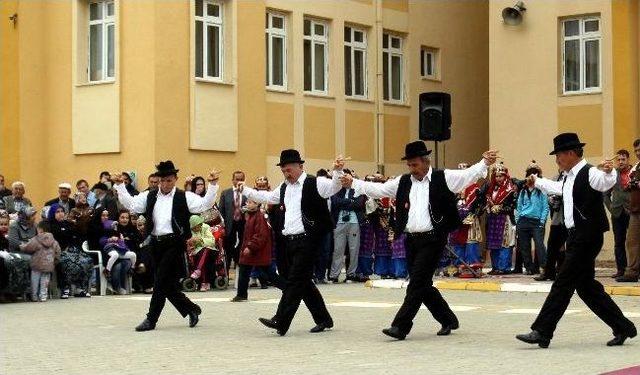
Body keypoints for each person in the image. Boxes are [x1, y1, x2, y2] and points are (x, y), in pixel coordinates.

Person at [342, 141, 496, 340]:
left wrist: (484, 162)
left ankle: (400, 326)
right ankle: (448, 319)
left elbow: (468, 176)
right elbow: (379, 190)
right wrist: (354, 182)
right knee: (423, 284)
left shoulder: (443, 177)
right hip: (411, 240)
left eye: (414, 164)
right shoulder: (403, 182)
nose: (411, 168)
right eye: (409, 165)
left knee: (415, 284)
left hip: (434, 239)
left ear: (426, 162)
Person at [516, 132, 637, 348]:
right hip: (575, 237)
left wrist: (609, 171)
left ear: (571, 153)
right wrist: (537, 181)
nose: (557, 160)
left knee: (563, 282)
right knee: (586, 287)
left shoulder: (590, 172)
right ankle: (623, 326)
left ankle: (542, 331)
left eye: (559, 155)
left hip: (588, 236)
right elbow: (558, 189)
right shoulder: (569, 177)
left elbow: (604, 181)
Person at [239, 149, 346, 336]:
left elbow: (334, 187)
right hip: (290, 241)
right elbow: (267, 197)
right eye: (283, 170)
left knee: (295, 281)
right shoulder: (284, 187)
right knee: (303, 282)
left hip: (309, 240)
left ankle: (280, 321)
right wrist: (246, 189)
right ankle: (323, 319)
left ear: (300, 166)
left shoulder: (315, 182)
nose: (286, 173)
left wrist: (337, 170)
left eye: (289, 169)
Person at [113, 161, 220, 332]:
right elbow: (132, 204)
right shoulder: (150, 196)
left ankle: (151, 319)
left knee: (160, 281)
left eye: (169, 180)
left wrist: (213, 184)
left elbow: (204, 204)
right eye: (162, 180)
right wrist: (119, 185)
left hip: (175, 243)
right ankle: (191, 309)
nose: (165, 184)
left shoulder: (183, 196)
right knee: (166, 285)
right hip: (155, 242)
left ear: (175, 180)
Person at [231, 199, 286, 302]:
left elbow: (261, 235)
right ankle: (241, 294)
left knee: (270, 274)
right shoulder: (250, 216)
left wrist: (250, 246)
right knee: (244, 270)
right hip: (253, 252)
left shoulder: (260, 217)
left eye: (250, 202)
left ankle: (288, 289)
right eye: (247, 202)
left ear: (257, 205)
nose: (247, 204)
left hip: (258, 252)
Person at [329, 169, 366, 282]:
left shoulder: (358, 190)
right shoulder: (336, 190)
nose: (344, 180)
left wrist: (344, 202)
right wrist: (349, 201)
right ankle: (334, 275)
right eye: (342, 178)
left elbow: (359, 204)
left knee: (354, 249)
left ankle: (351, 273)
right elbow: (335, 202)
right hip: (339, 223)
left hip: (354, 222)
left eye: (346, 177)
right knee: (338, 249)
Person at [515, 161, 549, 275]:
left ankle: (544, 267)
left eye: (534, 174)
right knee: (525, 247)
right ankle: (529, 268)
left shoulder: (541, 191)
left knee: (539, 245)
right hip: (523, 221)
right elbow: (519, 207)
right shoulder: (523, 191)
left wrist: (542, 221)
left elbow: (545, 207)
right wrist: (518, 221)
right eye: (530, 174)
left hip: (536, 222)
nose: (531, 176)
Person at [604, 150, 632, 279]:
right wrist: (611, 208)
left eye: (623, 159)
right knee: (619, 242)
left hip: (632, 212)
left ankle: (634, 269)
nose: (621, 162)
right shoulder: (613, 174)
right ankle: (621, 269)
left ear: (628, 160)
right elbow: (605, 194)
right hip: (617, 213)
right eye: (619, 160)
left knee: (634, 242)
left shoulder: (634, 173)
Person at [534, 172, 567, 281]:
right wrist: (551, 200)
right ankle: (549, 272)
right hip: (557, 217)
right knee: (552, 244)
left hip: (570, 218)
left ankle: (562, 271)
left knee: (567, 246)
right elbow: (549, 193)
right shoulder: (555, 178)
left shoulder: (573, 176)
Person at [485, 164, 517, 275]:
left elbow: (513, 206)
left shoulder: (510, 189)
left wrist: (501, 208)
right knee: (493, 243)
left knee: (505, 243)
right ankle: (495, 267)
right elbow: (487, 202)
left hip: (505, 219)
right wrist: (489, 207)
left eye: (501, 176)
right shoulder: (491, 189)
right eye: (496, 176)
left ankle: (504, 267)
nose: (498, 178)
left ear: (505, 176)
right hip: (493, 219)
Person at [20, 221, 61, 302]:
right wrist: (54, 262)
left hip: (36, 265)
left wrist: (21, 246)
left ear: (39, 230)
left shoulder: (36, 239)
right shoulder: (54, 242)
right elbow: (58, 253)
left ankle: (34, 296)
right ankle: (43, 296)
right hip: (48, 266)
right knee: (45, 282)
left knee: (34, 282)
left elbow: (28, 247)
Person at [618, 138, 640, 282]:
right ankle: (631, 272)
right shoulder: (636, 167)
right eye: (636, 150)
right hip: (635, 209)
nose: (638, 153)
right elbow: (627, 184)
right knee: (631, 241)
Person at [218, 171, 247, 274]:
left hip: (242, 226)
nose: (239, 181)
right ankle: (225, 274)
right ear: (233, 180)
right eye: (237, 179)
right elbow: (221, 212)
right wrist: (222, 227)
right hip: (229, 226)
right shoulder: (225, 193)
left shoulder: (247, 193)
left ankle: (241, 275)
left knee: (241, 251)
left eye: (241, 179)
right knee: (228, 251)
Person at [186, 214, 216, 292]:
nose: (196, 229)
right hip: (196, 251)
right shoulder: (189, 231)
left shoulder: (206, 227)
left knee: (205, 250)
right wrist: (191, 242)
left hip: (210, 250)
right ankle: (204, 282)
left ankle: (198, 271)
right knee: (201, 258)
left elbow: (212, 241)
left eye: (198, 227)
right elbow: (187, 242)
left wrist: (201, 240)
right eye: (194, 228)